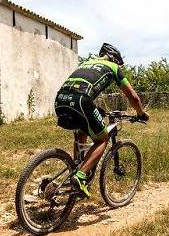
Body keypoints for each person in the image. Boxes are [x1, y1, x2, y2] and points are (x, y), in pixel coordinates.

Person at [54, 43, 149, 197]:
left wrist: (96, 109)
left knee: (81, 132)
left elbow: (83, 86)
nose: (118, 65)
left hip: (60, 100)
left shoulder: (86, 63)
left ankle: (75, 168)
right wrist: (141, 113)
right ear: (114, 58)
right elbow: (133, 97)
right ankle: (80, 176)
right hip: (81, 100)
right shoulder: (113, 67)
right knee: (102, 138)